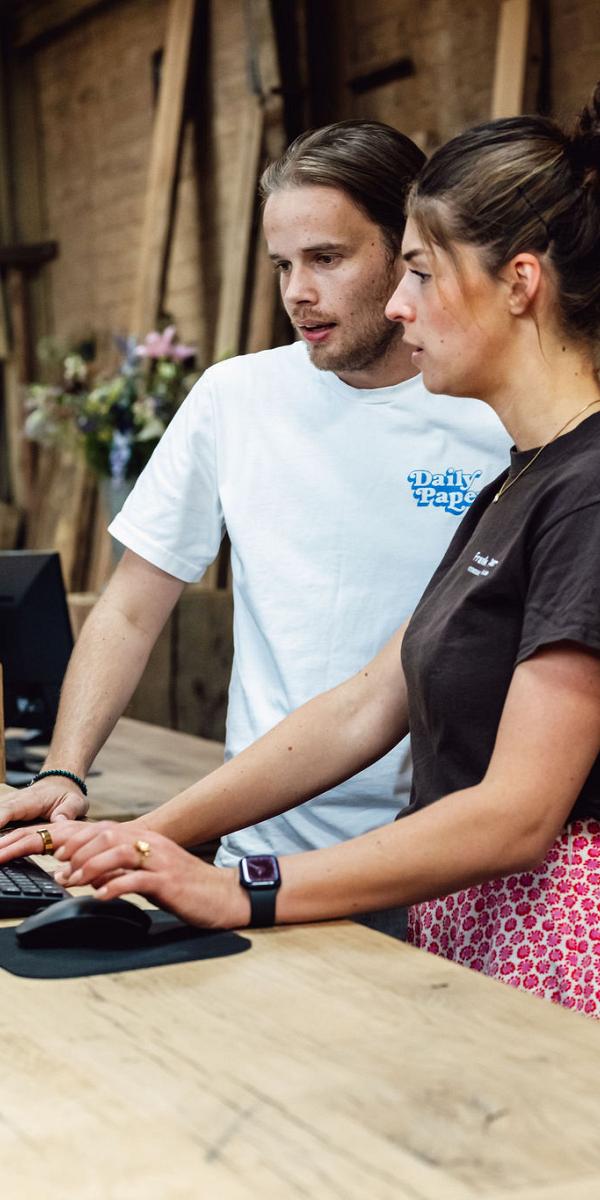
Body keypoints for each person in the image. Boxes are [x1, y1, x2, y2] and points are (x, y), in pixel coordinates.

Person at [10, 83, 600, 1018]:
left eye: (418, 270)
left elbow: (520, 813)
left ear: (517, 282)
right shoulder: (521, 479)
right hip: (429, 908)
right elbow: (370, 700)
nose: (403, 308)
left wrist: (242, 889)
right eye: (284, 261)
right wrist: (140, 835)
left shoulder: (575, 479)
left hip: (514, 937)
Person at [0, 121, 508, 878]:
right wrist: (64, 773)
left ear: (407, 248)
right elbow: (133, 607)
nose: (298, 293)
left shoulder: (495, 413)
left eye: (327, 259)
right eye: (281, 265)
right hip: (259, 851)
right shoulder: (236, 397)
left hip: (440, 865)